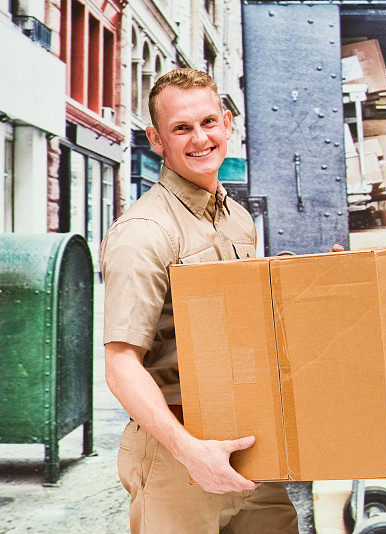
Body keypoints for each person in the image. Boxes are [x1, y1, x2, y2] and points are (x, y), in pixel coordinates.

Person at [101, 68, 300, 533]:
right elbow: (120, 364)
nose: (200, 139)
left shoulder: (236, 218)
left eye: (208, 122)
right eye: (181, 128)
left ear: (227, 123)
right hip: (178, 455)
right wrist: (191, 452)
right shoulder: (144, 232)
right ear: (156, 138)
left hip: (249, 442)